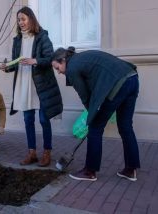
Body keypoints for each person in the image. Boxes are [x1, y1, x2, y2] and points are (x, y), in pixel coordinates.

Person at [52, 46, 140, 182]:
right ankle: (130, 169)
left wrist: (92, 114)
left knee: (95, 128)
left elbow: (85, 96)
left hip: (118, 84)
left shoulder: (72, 69)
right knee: (126, 126)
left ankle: (89, 172)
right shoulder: (80, 59)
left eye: (57, 68)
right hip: (132, 78)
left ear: (63, 60)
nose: (58, 72)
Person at [2, 6, 63, 167]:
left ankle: (47, 153)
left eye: (23, 19)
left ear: (31, 19)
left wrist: (34, 60)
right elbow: (16, 62)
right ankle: (32, 153)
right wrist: (8, 66)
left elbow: (50, 58)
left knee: (43, 119)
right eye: (18, 20)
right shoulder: (17, 40)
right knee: (28, 119)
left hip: (41, 84)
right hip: (24, 83)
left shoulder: (42, 36)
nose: (20, 22)